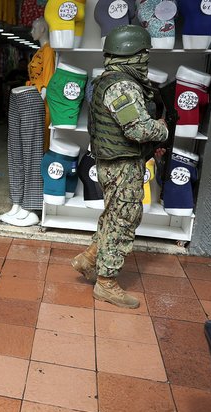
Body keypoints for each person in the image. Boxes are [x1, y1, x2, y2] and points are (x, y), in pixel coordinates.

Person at [72, 25, 168, 309]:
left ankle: (88, 258)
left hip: (113, 162)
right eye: (144, 53)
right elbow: (137, 129)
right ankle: (106, 284)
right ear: (131, 54)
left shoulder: (108, 80)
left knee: (113, 217)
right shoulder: (122, 85)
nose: (146, 59)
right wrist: (161, 130)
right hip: (122, 166)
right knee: (123, 223)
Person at [1, 17, 54, 227]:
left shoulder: (49, 51)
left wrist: (39, 103)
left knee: (32, 156)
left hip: (34, 103)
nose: (31, 30)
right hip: (20, 98)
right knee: (16, 153)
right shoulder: (40, 51)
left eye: (34, 27)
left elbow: (47, 84)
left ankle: (30, 206)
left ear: (42, 29)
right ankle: (18, 201)